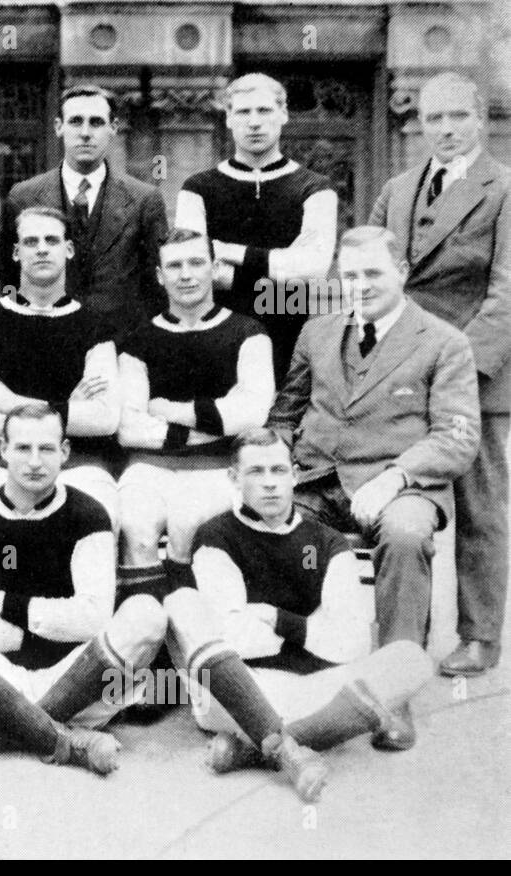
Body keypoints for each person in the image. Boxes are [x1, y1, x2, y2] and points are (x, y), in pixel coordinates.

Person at [164, 430, 434, 799]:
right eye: (256, 472)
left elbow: (352, 642)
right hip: (245, 690)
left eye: (278, 471)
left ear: (294, 475)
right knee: (182, 603)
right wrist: (315, 628)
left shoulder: (327, 541)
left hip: (317, 688)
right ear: (234, 479)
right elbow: (235, 640)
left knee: (411, 660)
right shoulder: (216, 536)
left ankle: (251, 749)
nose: (270, 484)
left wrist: (276, 619)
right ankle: (297, 740)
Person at [0, 403, 168, 775]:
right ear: (3, 450)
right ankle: (66, 742)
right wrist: (36, 635)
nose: (34, 461)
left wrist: (5, 603)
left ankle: (5, 732)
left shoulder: (89, 515)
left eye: (46, 449)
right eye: (23, 448)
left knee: (148, 614)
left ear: (64, 453)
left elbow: (92, 620)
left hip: (75, 678)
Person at [268, 225, 481, 653]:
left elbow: (456, 437)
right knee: (265, 523)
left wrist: (395, 478)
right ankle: (293, 663)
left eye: (373, 274)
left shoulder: (445, 343)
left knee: (405, 535)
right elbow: (284, 414)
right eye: (350, 276)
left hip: (402, 486)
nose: (360, 287)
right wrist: (276, 463)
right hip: (317, 479)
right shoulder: (317, 332)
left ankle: (394, 675)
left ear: (401, 272)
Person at [369, 72, 511, 677]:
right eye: (433, 119)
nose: (446, 130)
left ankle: (480, 636)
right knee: (402, 501)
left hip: (472, 373)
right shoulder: (398, 190)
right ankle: (403, 640)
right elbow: (369, 276)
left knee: (480, 508)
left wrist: (459, 367)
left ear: (481, 118)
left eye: (457, 117)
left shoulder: (503, 189)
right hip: (402, 368)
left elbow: (507, 294)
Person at [117, 228, 274, 598]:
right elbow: (129, 427)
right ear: (160, 276)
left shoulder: (248, 333)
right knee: (136, 528)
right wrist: (215, 420)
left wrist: (170, 410)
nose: (185, 275)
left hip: (217, 468)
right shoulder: (138, 340)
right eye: (174, 266)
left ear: (215, 268)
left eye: (196, 263)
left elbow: (251, 415)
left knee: (189, 523)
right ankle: (144, 633)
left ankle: (188, 635)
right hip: (147, 467)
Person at [0, 206, 119, 527]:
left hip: (76, 461)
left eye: (51, 240)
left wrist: (12, 404)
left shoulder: (96, 326)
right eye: (31, 241)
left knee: (103, 512)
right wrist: (67, 410)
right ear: (16, 252)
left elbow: (104, 419)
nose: (41, 249)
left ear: (68, 250)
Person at [176, 73, 337, 381]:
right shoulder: (197, 188)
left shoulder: (315, 188)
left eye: (264, 111)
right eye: (243, 112)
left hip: (291, 336)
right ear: (228, 118)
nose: (254, 122)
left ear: (284, 115)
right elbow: (194, 269)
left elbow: (314, 268)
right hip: (217, 336)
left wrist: (226, 251)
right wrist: (281, 271)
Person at [0, 85, 167, 328]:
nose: (85, 133)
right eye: (76, 122)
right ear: (59, 127)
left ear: (113, 128)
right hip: (46, 336)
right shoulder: (24, 197)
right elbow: (8, 278)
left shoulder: (144, 199)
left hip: (118, 344)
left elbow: (157, 285)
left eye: (96, 122)